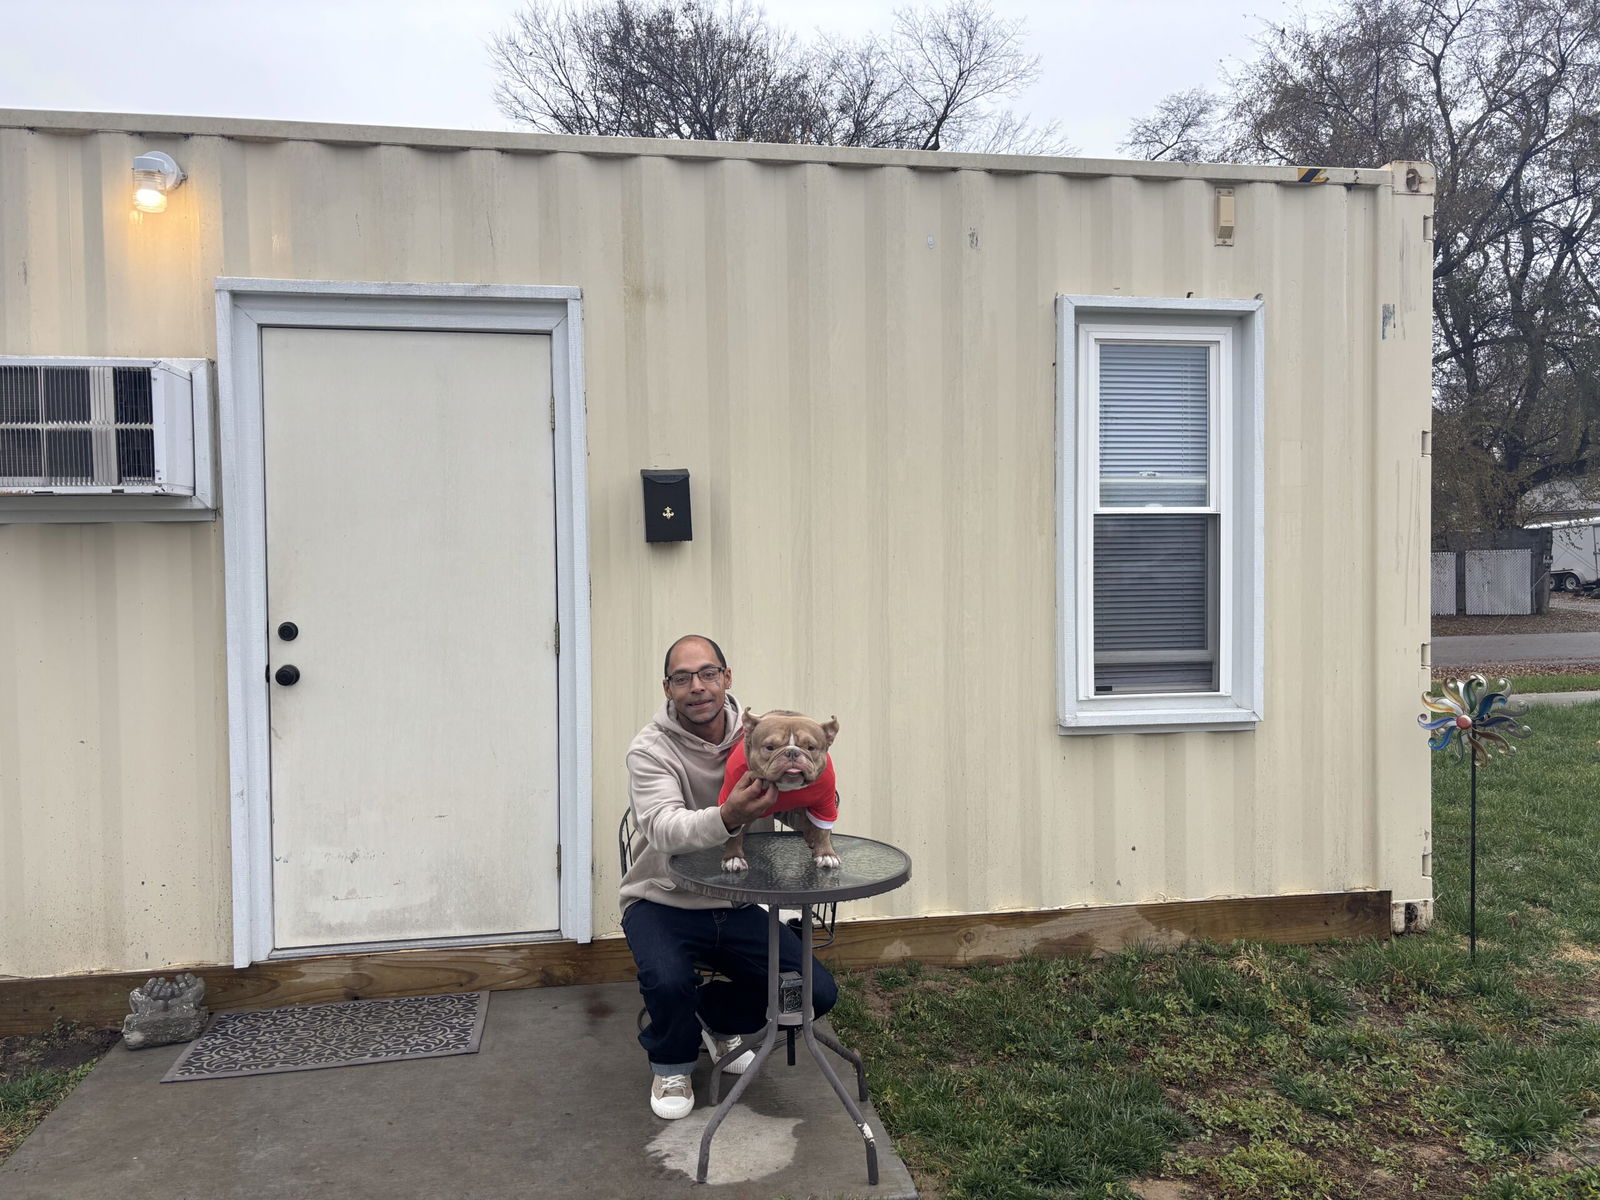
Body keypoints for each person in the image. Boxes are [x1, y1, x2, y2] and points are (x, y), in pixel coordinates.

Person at [619, 634, 839, 1120]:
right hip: (662, 898)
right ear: (667, 688)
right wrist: (728, 815)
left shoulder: (765, 734)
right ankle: (671, 1061)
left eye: (708, 674)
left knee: (814, 992)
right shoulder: (650, 749)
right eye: (682, 678)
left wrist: (809, 796)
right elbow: (661, 827)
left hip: (737, 902)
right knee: (668, 978)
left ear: (727, 678)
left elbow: (798, 804)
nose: (697, 687)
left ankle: (715, 1021)